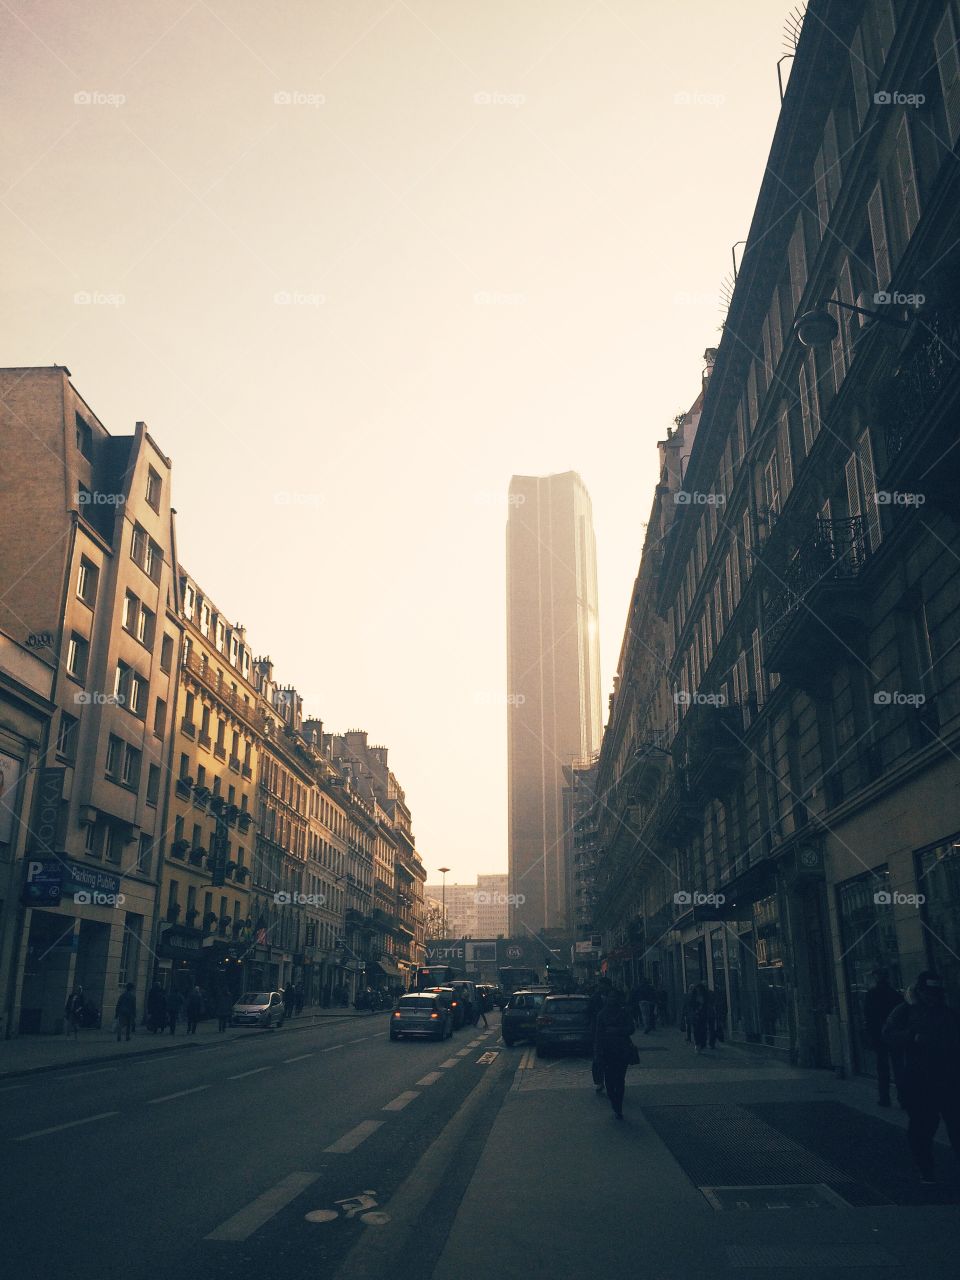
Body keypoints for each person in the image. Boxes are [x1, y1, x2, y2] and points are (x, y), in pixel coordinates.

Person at [882, 971, 960, 1185]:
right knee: (923, 1126)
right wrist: (912, 1037)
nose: (932, 997)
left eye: (935, 993)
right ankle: (926, 1168)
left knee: (955, 1124)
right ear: (920, 991)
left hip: (949, 1079)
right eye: (928, 993)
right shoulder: (905, 1012)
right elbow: (888, 1035)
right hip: (919, 1080)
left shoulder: (948, 1013)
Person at [594, 988, 636, 1119]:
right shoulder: (601, 1015)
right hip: (607, 1051)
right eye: (610, 997)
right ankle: (613, 1099)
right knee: (610, 1081)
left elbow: (631, 1029)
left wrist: (616, 1030)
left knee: (620, 1080)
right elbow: (598, 1035)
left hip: (622, 1050)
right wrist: (597, 1052)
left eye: (614, 997)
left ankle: (618, 1105)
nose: (612, 999)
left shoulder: (624, 1013)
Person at [864, 968, 903, 1107]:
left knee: (882, 1068)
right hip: (894, 1035)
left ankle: (884, 1097)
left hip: (879, 1035)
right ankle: (903, 1097)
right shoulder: (895, 994)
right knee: (898, 1067)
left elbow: (868, 1017)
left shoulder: (871, 995)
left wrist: (870, 1035)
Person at [587, 979, 612, 1093]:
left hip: (611, 1033)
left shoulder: (614, 996)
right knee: (598, 1058)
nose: (602, 987)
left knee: (611, 1059)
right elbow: (589, 1013)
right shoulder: (594, 998)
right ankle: (599, 1082)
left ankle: (610, 1081)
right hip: (598, 1032)